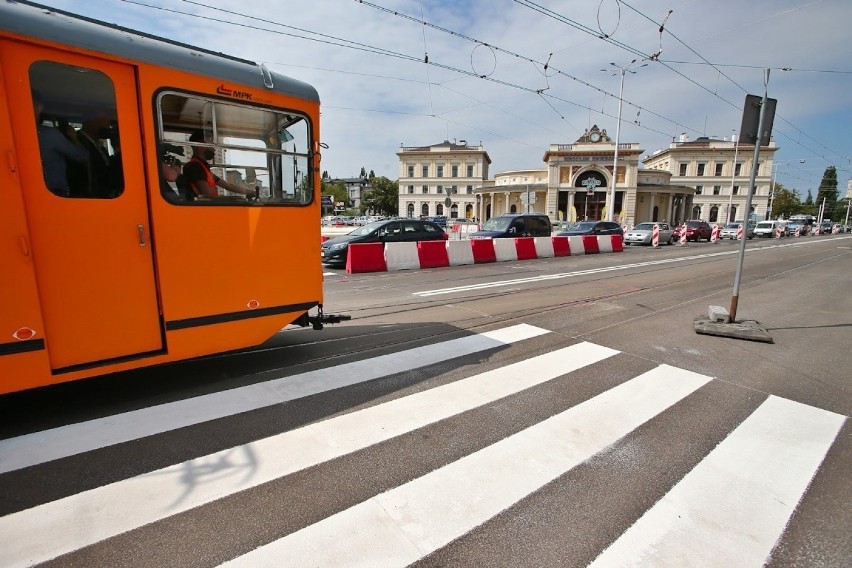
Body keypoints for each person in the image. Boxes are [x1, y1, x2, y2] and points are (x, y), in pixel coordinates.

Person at [32, 91, 89, 197]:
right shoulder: (49, 134)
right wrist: (74, 138)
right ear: (38, 107)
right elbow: (81, 156)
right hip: (53, 192)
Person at [182, 130, 252, 199]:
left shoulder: (203, 167)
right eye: (211, 144)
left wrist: (249, 192)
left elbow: (228, 186)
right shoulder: (195, 167)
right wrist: (232, 200)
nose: (214, 149)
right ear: (200, 144)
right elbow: (207, 195)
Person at [71, 112, 123, 198]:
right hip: (88, 196)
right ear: (90, 123)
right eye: (103, 124)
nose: (107, 128)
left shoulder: (100, 147)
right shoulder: (78, 141)